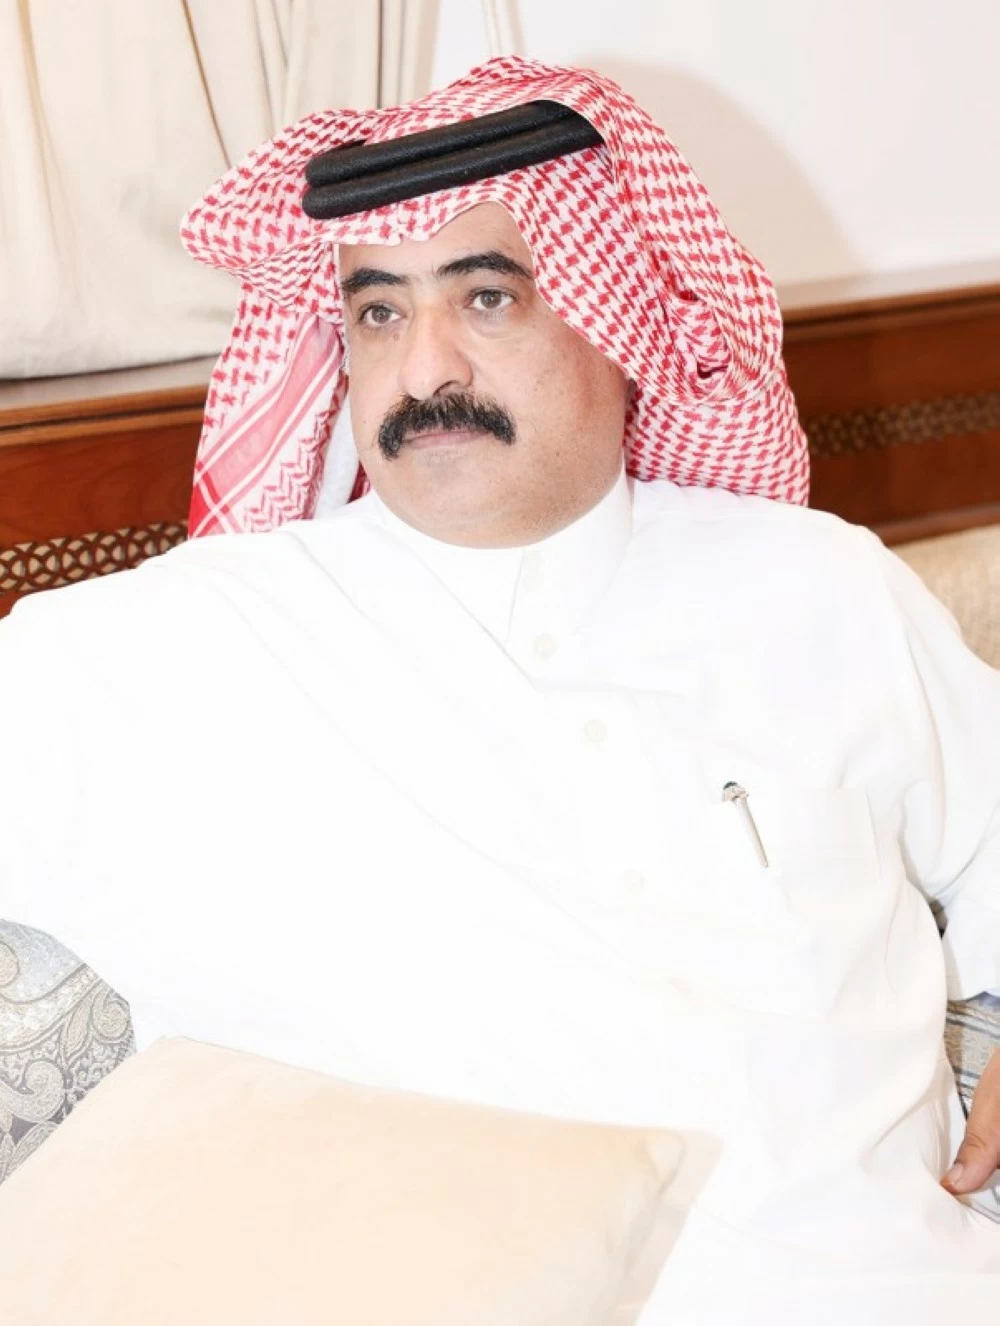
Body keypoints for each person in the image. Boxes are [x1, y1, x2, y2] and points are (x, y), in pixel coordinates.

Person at [1, 55, 999, 1324]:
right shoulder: (168, 652)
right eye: (378, 312)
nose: (425, 371)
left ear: (625, 319)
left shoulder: (821, 593)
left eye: (486, 298)